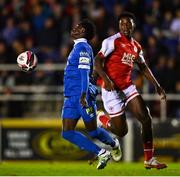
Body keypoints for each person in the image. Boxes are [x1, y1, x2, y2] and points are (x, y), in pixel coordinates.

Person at [94, 12, 167, 169]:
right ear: (119, 26)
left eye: (128, 24)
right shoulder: (111, 41)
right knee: (121, 131)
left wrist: (156, 85)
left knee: (146, 118)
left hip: (127, 87)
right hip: (111, 89)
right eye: (122, 24)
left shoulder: (136, 46)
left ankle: (149, 159)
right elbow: (97, 62)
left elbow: (143, 67)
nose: (125, 26)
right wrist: (106, 80)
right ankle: (102, 119)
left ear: (133, 26)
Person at [61, 19, 121, 170]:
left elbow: (83, 74)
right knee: (67, 133)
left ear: (83, 32)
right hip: (70, 97)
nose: (74, 28)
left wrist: (83, 95)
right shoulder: (77, 47)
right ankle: (101, 152)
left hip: (82, 96)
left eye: (78, 27)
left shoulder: (82, 47)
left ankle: (113, 143)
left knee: (93, 131)